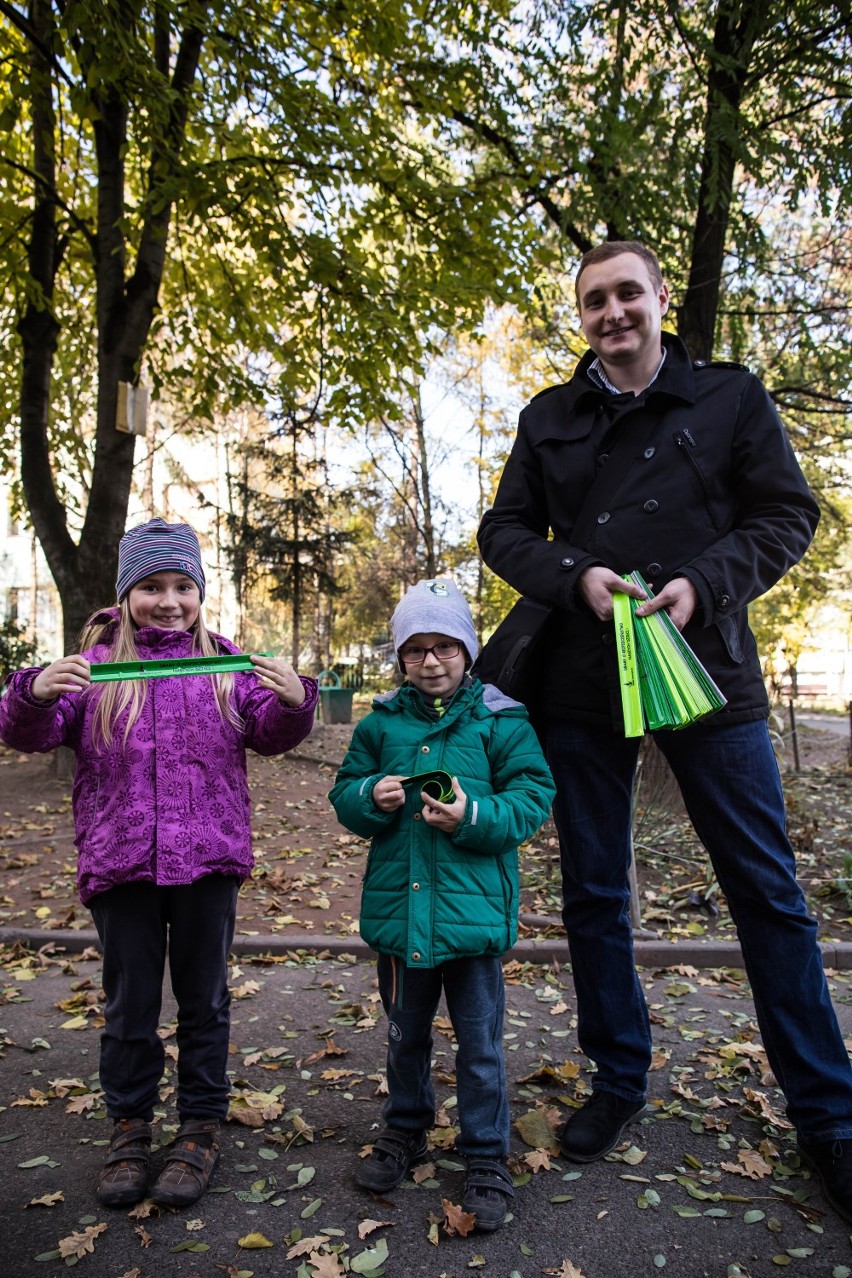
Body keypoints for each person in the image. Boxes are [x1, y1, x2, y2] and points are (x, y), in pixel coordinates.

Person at [477, 241, 852, 1224]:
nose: (613, 312)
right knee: (597, 892)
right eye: (595, 300)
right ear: (584, 315)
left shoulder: (730, 397)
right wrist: (575, 579)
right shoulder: (547, 418)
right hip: (579, 685)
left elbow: (787, 513)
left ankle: (829, 1117)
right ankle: (617, 1080)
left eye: (627, 294)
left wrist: (705, 584)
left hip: (709, 674)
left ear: (657, 302)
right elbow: (504, 531)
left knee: (767, 892)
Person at [0, 518, 318, 1210]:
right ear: (127, 593)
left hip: (208, 861)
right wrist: (34, 691)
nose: (168, 600)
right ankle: (130, 1124)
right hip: (122, 864)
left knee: (204, 1001)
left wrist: (295, 703)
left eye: (182, 586)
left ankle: (200, 1125)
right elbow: (31, 732)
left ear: (199, 593)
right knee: (129, 1004)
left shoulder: (225, 662)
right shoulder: (93, 670)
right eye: (151, 587)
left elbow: (268, 731)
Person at [328, 579, 554, 1232]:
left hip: (474, 921)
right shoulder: (379, 724)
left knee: (479, 1045)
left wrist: (473, 814)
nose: (431, 662)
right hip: (401, 921)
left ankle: (485, 1152)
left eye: (445, 647)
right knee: (405, 1036)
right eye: (416, 649)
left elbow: (533, 796)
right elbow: (345, 794)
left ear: (468, 650)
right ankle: (406, 1128)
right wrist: (373, 794)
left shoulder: (500, 720)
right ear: (400, 657)